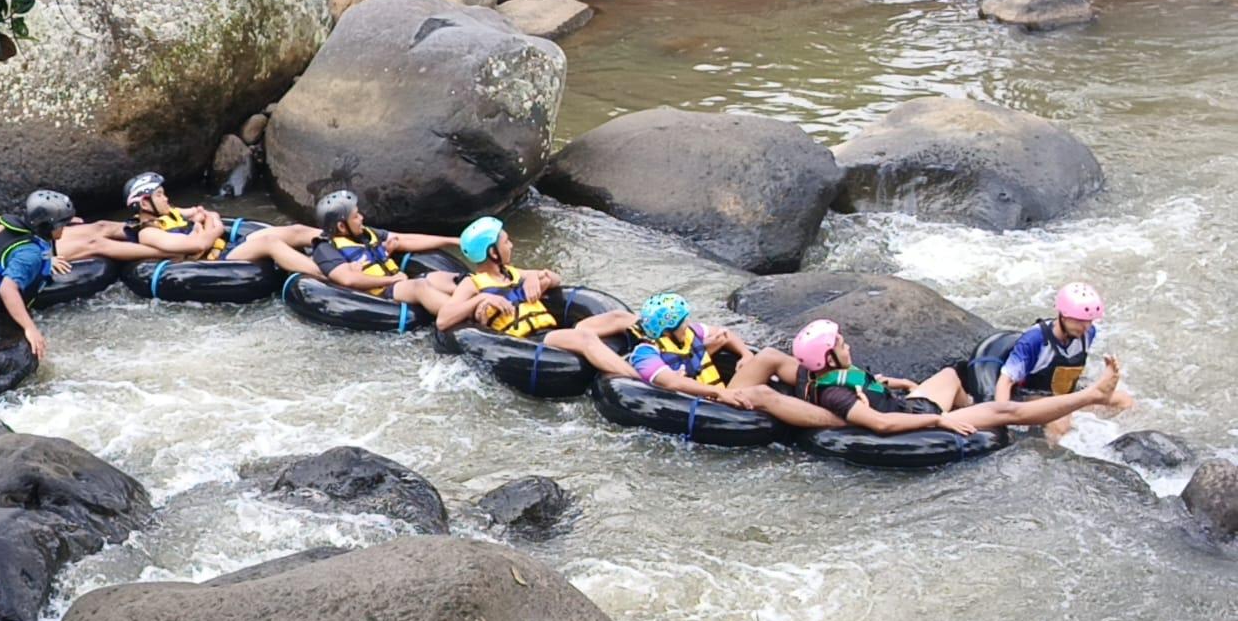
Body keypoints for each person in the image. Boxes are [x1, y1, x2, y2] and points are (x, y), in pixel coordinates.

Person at [792, 318, 1121, 436]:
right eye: (841, 345)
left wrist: (901, 384)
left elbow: (867, 384)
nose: (847, 345)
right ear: (828, 358)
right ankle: (1092, 395)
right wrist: (939, 421)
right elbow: (882, 424)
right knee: (1006, 411)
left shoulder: (821, 374)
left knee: (951, 374)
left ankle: (975, 412)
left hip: (911, 404)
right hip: (919, 419)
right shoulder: (836, 394)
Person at [435, 216, 637, 377]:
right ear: (493, 253)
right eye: (506, 242)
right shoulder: (473, 283)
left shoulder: (512, 273)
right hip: (531, 342)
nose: (511, 245)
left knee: (618, 317)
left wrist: (535, 276)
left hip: (552, 331)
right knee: (584, 338)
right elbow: (443, 320)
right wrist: (480, 299)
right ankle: (637, 380)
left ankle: (652, 342)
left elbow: (556, 279)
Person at [624, 293, 843, 428]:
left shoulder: (689, 332)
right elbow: (672, 382)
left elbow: (725, 334)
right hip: (706, 407)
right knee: (762, 393)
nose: (687, 323)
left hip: (719, 394)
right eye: (682, 322)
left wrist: (745, 355)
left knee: (769, 355)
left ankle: (834, 385)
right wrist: (720, 393)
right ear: (667, 331)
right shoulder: (645, 354)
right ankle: (842, 423)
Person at [114, 172, 324, 276]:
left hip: (226, 247)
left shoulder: (170, 213)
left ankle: (343, 244)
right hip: (218, 260)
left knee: (295, 230)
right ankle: (326, 275)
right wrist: (211, 228)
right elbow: (197, 245)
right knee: (270, 242)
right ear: (145, 203)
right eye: (159, 195)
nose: (166, 198)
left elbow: (208, 213)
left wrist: (206, 226)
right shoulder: (149, 233)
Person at [995, 282, 1134, 438]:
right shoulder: (1035, 340)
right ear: (1063, 315)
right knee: (1060, 422)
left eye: (1090, 321)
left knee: (1124, 401)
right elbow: (1005, 381)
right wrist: (1001, 421)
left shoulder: (1088, 334)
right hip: (1033, 397)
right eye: (1080, 320)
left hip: (1066, 395)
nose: (1086, 327)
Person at [0, 190, 75, 359]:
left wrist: (47, 262)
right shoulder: (30, 254)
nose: (64, 228)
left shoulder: (21, 231)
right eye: (62, 224)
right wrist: (29, 328)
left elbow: (12, 256)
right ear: (48, 226)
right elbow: (7, 289)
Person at [308, 190, 460, 314]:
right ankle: (460, 314)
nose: (361, 218)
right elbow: (348, 279)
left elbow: (406, 239)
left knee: (452, 279)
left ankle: (469, 303)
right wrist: (391, 280)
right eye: (355, 216)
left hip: (399, 283)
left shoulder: (365, 233)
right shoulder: (325, 249)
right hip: (381, 294)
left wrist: (452, 241)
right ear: (341, 227)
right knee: (420, 287)